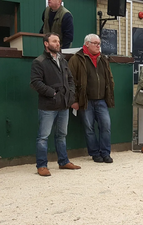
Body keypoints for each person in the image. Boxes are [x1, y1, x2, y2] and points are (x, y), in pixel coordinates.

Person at [30, 32, 80, 176]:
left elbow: (70, 79)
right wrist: (52, 93)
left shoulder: (63, 60)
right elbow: (35, 83)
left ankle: (63, 162)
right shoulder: (39, 62)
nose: (58, 43)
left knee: (62, 135)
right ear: (46, 44)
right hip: (48, 106)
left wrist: (70, 93)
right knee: (43, 137)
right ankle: (41, 165)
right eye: (54, 41)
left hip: (64, 105)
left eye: (58, 41)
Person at [68, 34, 115, 163]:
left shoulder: (103, 59)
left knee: (105, 126)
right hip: (85, 100)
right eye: (95, 43)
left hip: (101, 100)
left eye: (99, 43)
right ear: (87, 44)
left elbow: (109, 78)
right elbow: (70, 81)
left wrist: (109, 94)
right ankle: (95, 153)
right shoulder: (76, 59)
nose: (98, 46)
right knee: (89, 129)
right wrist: (74, 100)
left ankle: (105, 153)